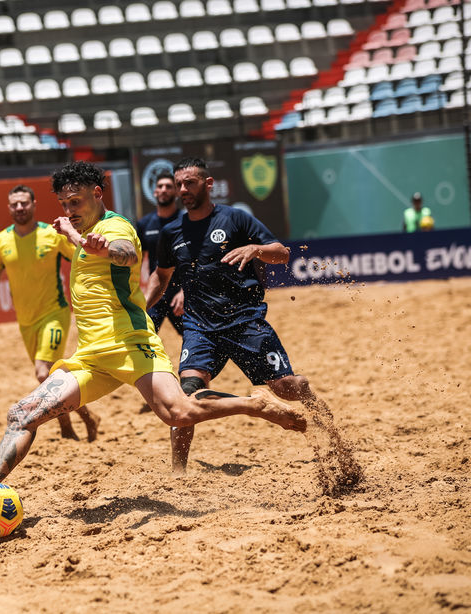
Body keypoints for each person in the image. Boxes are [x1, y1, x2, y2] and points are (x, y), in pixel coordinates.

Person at [0, 161, 307, 518]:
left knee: (178, 414)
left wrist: (102, 247)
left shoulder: (115, 228)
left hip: (130, 345)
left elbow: (123, 253)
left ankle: (255, 404)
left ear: (97, 194)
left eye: (77, 200)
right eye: (65, 202)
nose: (70, 208)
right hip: (90, 357)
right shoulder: (80, 232)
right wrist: (77, 236)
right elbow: (87, 246)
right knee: (23, 413)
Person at [146, 157, 360, 491]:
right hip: (200, 328)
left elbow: (282, 253)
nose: (182, 190)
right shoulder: (172, 231)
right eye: (179, 184)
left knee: (288, 388)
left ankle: (325, 422)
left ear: (208, 183)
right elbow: (161, 277)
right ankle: (178, 473)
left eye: (189, 183)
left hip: (245, 322)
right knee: (187, 393)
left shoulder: (235, 218)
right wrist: (141, 308)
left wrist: (256, 249)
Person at [0, 184, 100, 442]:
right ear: (9, 208)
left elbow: (82, 258)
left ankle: (67, 428)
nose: (19, 208)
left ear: (34, 204)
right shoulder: (0, 240)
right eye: (14, 204)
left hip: (55, 312)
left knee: (44, 373)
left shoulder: (51, 234)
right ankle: (87, 418)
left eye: (24, 203)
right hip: (26, 322)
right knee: (52, 377)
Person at [135, 173, 184, 335]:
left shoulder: (185, 220)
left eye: (169, 187)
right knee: (143, 336)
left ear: (177, 192)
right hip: (156, 292)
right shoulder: (144, 224)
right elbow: (136, 260)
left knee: (197, 337)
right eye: (160, 186)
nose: (164, 190)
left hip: (182, 293)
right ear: (154, 192)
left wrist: (185, 292)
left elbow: (196, 258)